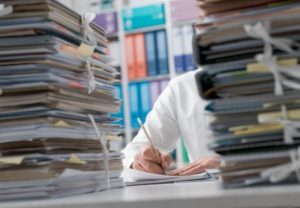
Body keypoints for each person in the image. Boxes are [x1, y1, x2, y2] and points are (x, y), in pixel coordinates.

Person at [122, 70, 220, 176]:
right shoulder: (182, 87)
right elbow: (132, 152)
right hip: (208, 190)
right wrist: (139, 161)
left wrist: (229, 162)